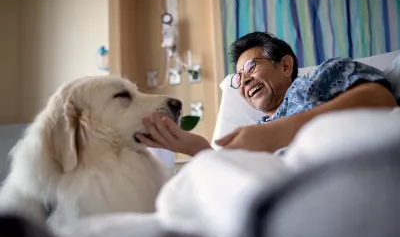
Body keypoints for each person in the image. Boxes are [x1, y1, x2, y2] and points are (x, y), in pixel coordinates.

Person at [136, 32, 397, 156]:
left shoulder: (327, 74)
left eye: (251, 67)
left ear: (285, 66)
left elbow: (380, 100)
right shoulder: (254, 133)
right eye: (238, 77)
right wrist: (200, 150)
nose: (245, 79)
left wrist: (277, 133)